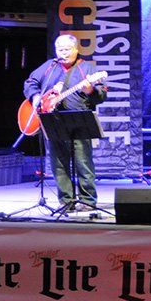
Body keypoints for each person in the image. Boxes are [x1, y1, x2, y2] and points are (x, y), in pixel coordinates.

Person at [24, 33, 107, 213]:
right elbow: (30, 82)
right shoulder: (50, 66)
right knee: (58, 162)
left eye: (67, 49)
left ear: (76, 49)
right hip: (53, 120)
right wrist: (36, 96)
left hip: (79, 119)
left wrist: (90, 90)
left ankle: (87, 200)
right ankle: (66, 200)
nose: (64, 53)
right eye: (60, 49)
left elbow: (101, 95)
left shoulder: (87, 67)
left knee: (83, 162)